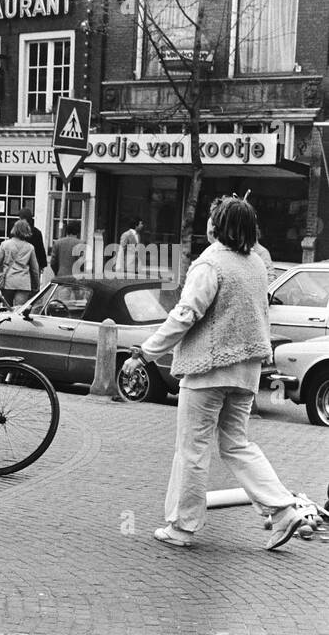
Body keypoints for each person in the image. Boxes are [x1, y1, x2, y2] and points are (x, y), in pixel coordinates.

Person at [126, 196, 319, 551]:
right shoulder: (256, 266)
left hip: (207, 371)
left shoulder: (209, 265)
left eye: (212, 219)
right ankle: (283, 510)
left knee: (192, 449)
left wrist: (147, 351)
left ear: (216, 226)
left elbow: (186, 314)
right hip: (246, 372)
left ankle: (183, 528)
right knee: (237, 445)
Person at [0, 219, 40, 307]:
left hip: (8, 281)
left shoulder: (5, 244)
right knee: (19, 310)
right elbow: (35, 269)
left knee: (6, 309)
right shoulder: (30, 248)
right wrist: (36, 285)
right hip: (23, 283)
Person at [19, 207, 48, 278]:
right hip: (34, 265)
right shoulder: (37, 232)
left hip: (19, 265)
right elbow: (40, 249)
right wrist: (42, 265)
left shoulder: (17, 232)